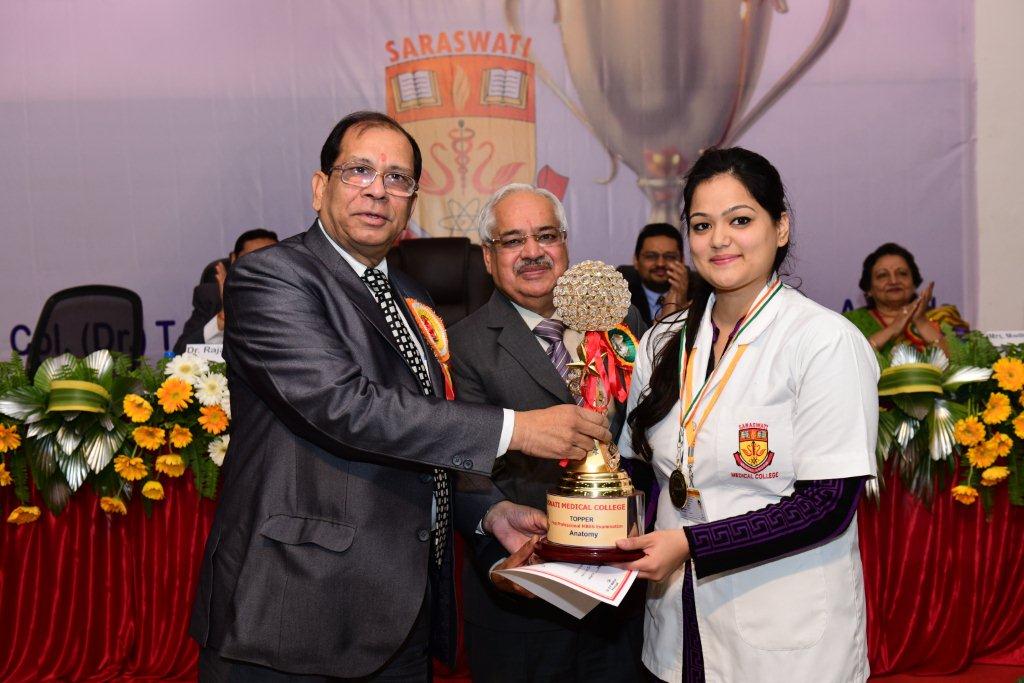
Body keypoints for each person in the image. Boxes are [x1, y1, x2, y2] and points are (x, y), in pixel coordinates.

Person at [188, 111, 612, 681]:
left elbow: (421, 434)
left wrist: (489, 513)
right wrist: (517, 429)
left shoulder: (411, 296)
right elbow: (344, 406)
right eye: (359, 171)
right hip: (293, 612)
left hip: (400, 610)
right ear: (319, 187)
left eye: (397, 178)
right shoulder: (273, 277)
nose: (378, 190)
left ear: (411, 202)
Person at [615, 148, 878, 682]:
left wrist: (691, 545)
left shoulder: (824, 341)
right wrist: (582, 531)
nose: (719, 239)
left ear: (780, 228)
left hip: (783, 626)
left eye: (740, 220)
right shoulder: (662, 340)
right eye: (702, 225)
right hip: (676, 618)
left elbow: (828, 505)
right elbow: (636, 472)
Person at [448, 183, 649, 682]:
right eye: (513, 240)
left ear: (565, 243)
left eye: (546, 235)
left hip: (620, 594)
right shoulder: (462, 345)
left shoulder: (620, 320)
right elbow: (458, 464)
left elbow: (644, 433)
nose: (533, 251)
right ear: (488, 258)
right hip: (523, 599)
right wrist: (498, 544)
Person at [172, 228, 278, 354]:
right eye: (251, 259)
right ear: (233, 259)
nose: (261, 267)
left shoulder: (296, 295)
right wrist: (222, 319)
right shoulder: (211, 298)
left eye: (269, 259)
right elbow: (179, 354)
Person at [843, 242, 950, 355]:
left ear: (914, 282)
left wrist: (922, 323)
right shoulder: (849, 323)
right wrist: (892, 330)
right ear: (869, 289)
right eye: (882, 275)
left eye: (902, 273)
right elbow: (847, 359)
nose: (894, 281)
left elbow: (958, 361)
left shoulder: (943, 317)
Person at [620, 223, 690, 325]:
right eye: (651, 256)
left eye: (669, 257)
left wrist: (684, 309)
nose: (660, 264)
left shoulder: (702, 293)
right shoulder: (620, 295)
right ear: (636, 260)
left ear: (682, 261)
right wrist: (666, 319)